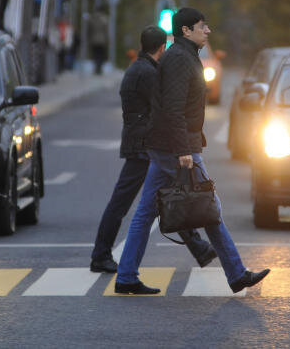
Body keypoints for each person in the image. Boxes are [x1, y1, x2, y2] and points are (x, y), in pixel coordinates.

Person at [114, 8, 271, 294]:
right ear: (186, 31)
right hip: (176, 146)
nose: (208, 31)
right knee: (209, 207)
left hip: (168, 144)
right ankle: (236, 273)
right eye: (202, 27)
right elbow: (172, 109)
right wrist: (183, 150)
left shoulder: (184, 56)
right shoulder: (179, 59)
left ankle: (125, 276)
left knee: (146, 212)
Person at [90, 26, 217, 274]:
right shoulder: (147, 73)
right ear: (162, 48)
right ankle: (101, 255)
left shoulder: (139, 68)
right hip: (142, 147)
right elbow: (164, 107)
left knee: (168, 195)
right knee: (127, 201)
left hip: (141, 144)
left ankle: (198, 246)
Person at [87, 7, 110, 75]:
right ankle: (99, 69)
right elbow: (106, 31)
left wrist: (89, 38)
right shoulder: (104, 19)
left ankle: (96, 67)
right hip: (102, 40)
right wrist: (107, 39)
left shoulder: (92, 19)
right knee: (101, 55)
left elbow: (89, 30)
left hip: (93, 40)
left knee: (95, 54)